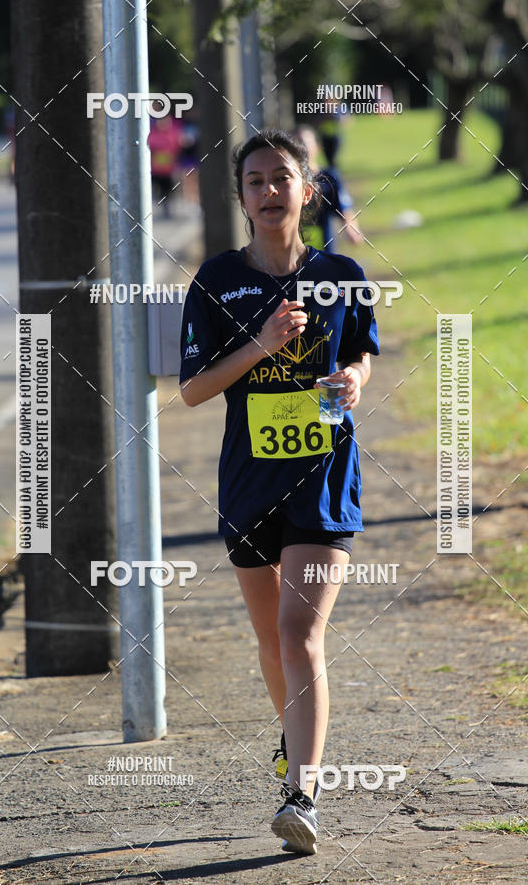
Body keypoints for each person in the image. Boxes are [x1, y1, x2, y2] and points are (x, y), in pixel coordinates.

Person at [178, 128, 379, 855]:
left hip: (325, 476)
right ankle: (293, 745)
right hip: (248, 482)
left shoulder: (341, 272)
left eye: (282, 177)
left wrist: (354, 379)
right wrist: (261, 343)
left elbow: (359, 349)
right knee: (272, 641)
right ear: (240, 198)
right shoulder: (216, 283)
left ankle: (303, 795)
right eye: (255, 180)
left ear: (308, 189)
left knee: (300, 634)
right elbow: (195, 392)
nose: (269, 190)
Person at [296, 124, 363, 250]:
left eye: (304, 143)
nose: (301, 149)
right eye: (296, 144)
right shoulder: (286, 182)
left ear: (317, 147)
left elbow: (345, 210)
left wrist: (351, 229)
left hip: (323, 251)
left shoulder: (329, 178)